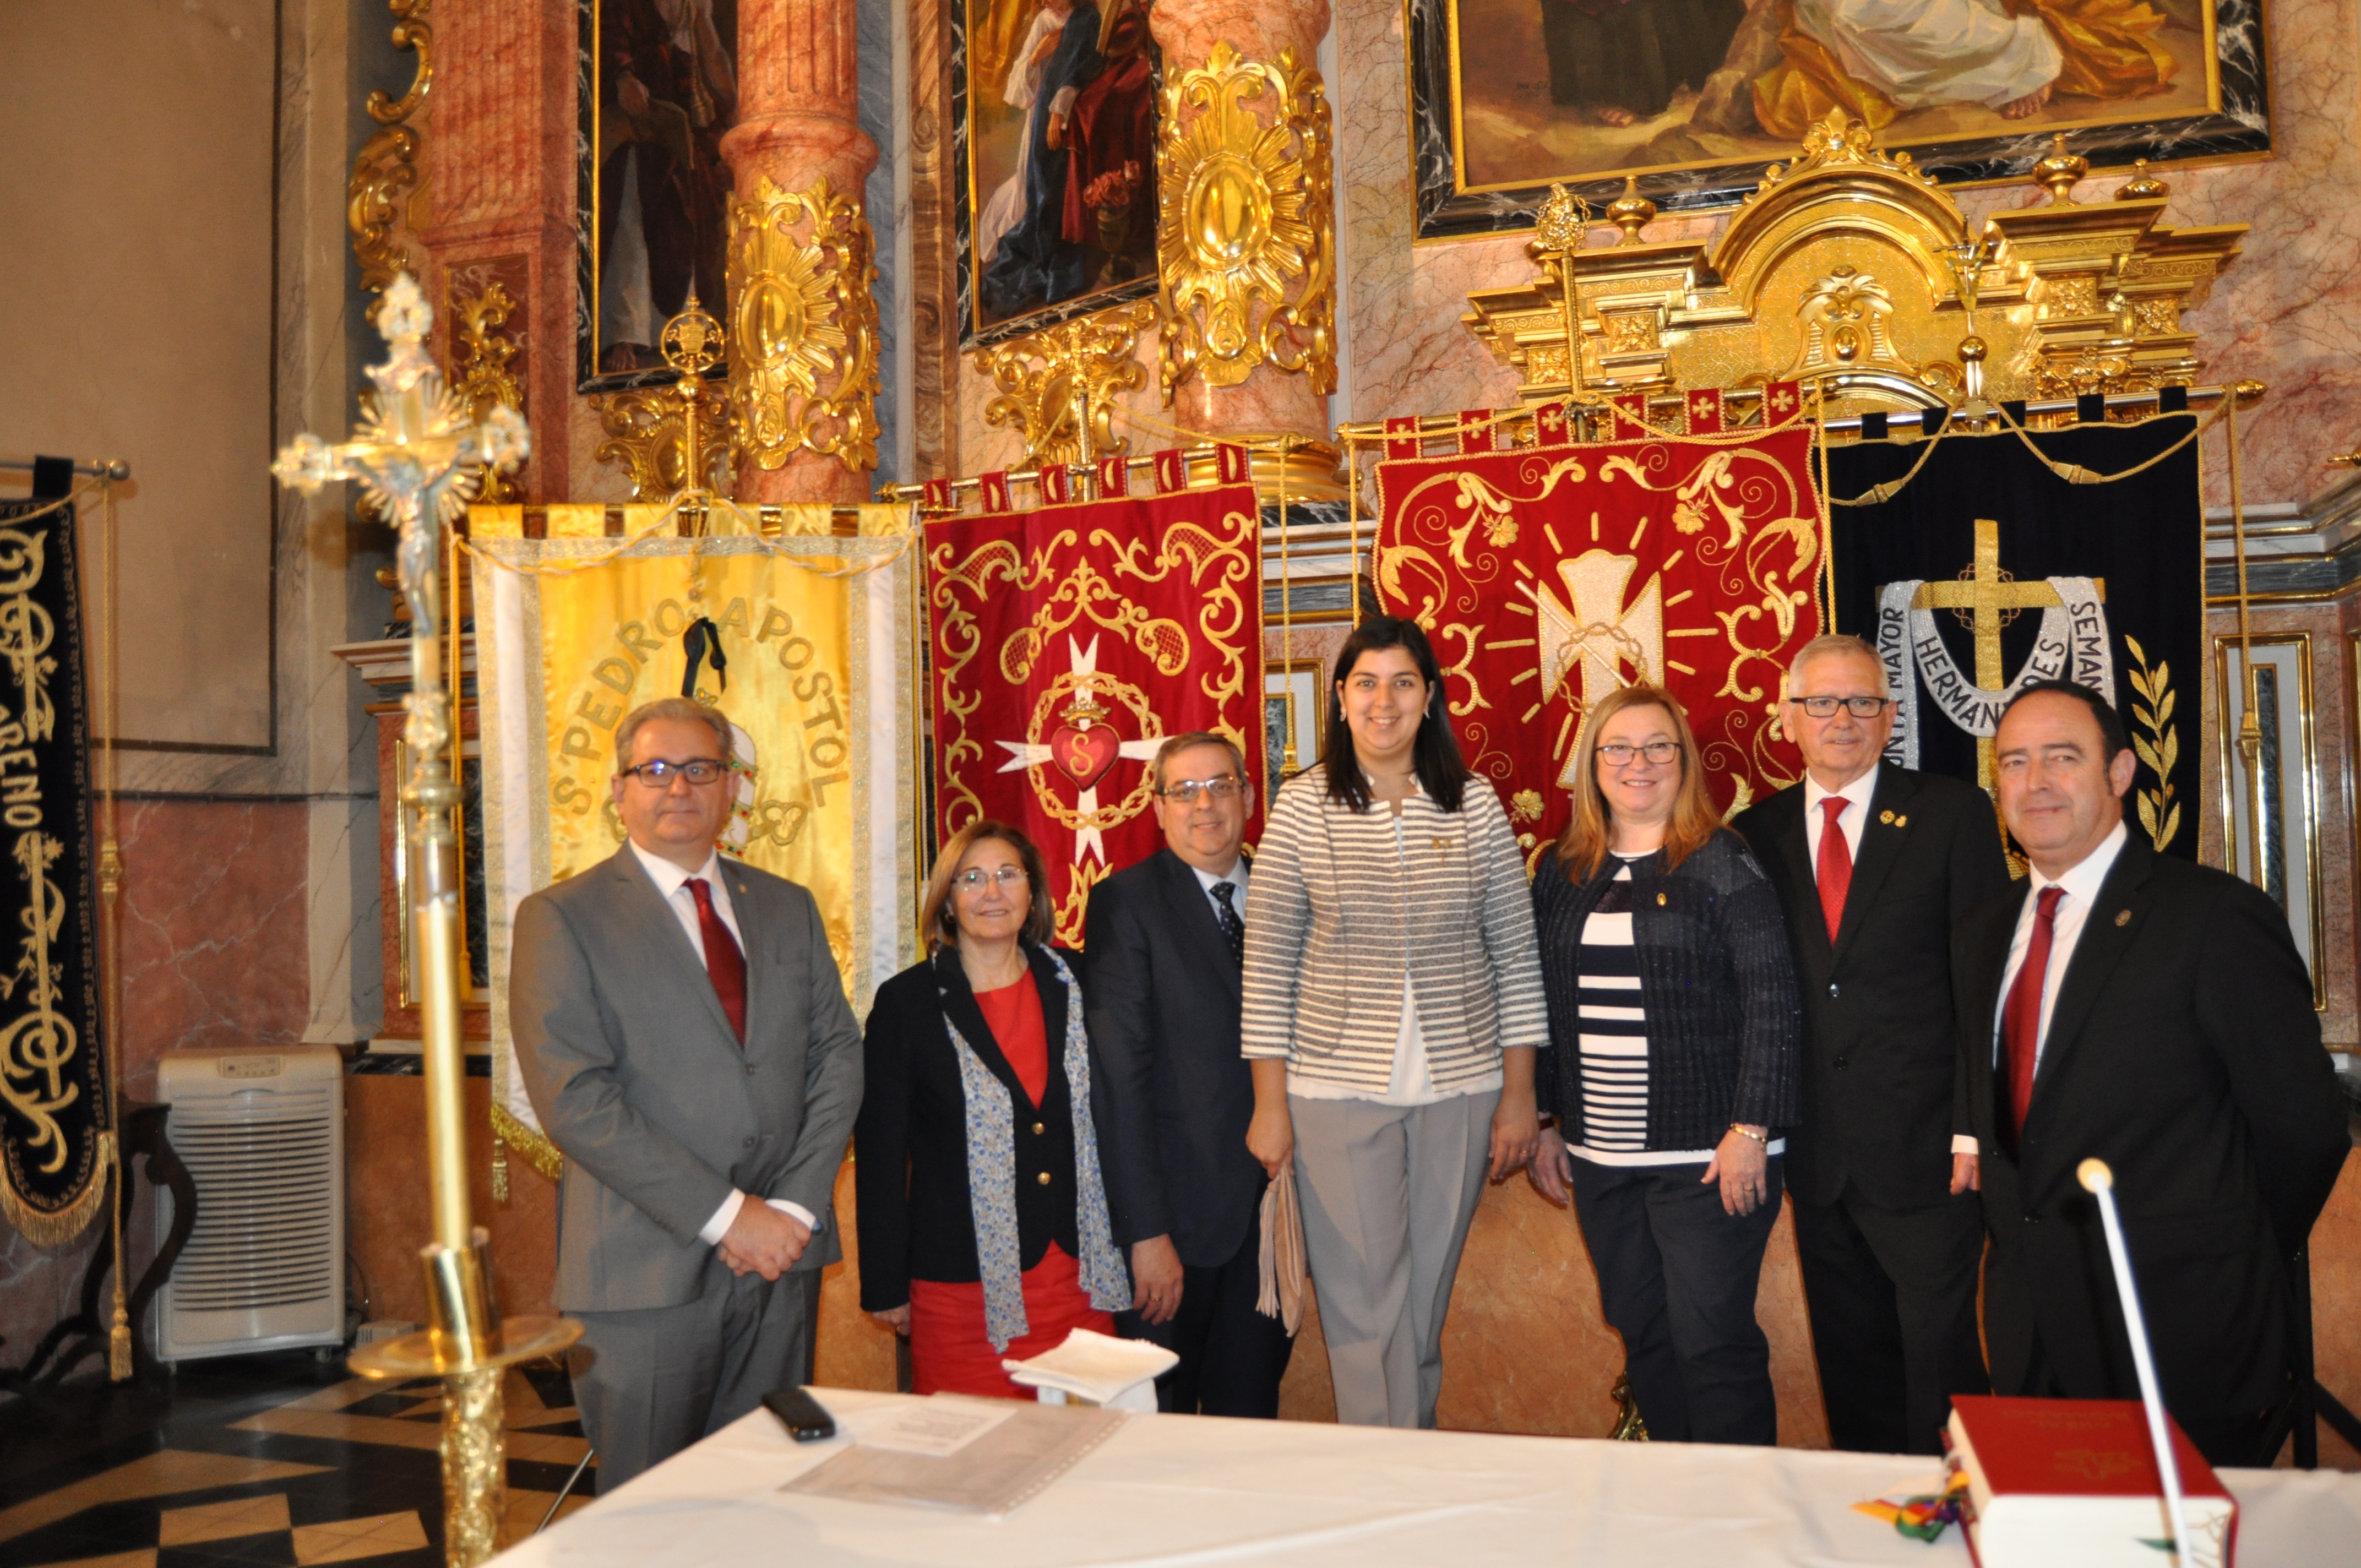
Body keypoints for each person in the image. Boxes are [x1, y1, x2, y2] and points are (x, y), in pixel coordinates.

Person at [1957, 680, 2349, 1467]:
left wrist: (2226, 1247)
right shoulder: (1983, 928)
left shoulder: (2212, 917)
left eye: (2062, 759)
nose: (2034, 782)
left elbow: (2304, 1127)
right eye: (2015, 762)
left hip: (2182, 1329)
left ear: (2122, 772)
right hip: (2031, 1329)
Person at [511, 697, 862, 1489]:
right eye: (655, 770)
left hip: (782, 1266)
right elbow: (575, 1098)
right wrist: (734, 1216)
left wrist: (795, 1211)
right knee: (651, 1511)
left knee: (767, 1495)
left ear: (732, 787)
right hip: (645, 1277)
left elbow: (837, 1055)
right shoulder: (561, 918)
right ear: (618, 789)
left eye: (701, 769)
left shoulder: (787, 907)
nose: (679, 788)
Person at [1241, 616, 1547, 1429]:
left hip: (1464, 1085)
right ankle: (1386, 1477)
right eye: (1366, 683)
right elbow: (1267, 966)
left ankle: (1408, 1461)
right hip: (1334, 1089)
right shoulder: (1304, 806)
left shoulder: (1473, 804)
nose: (1385, 701)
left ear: (1431, 697)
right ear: (1340, 699)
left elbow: (1516, 956)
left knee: (1421, 1302)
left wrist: (1521, 1094)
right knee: (1361, 1302)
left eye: (1403, 683)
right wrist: (1270, 1106)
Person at [1730, 636, 2006, 1455]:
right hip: (1818, 1153)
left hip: (1931, 1151)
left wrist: (1973, 1125)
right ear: (1788, 719)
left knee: (1943, 1362)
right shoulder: (1756, 832)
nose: (1842, 719)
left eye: (1862, 703)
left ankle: (1968, 1524)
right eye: (1821, 702)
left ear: (1890, 718)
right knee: (1853, 1368)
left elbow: (1984, 982)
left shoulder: (1953, 814)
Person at [1528, 684, 1803, 1445]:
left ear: (1683, 761)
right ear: (1592, 763)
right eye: (1619, 747)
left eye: (1658, 746)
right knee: (1644, 1334)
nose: (1638, 762)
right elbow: (1545, 1003)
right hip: (1602, 1157)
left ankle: (1740, 1521)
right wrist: (1549, 1121)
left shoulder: (1720, 862)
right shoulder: (1563, 870)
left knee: (1713, 1343)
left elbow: (1773, 997)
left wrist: (1752, 1126)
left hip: (1709, 1158)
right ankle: (1677, 1512)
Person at [856, 820, 1131, 1398]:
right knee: (974, 1468)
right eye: (971, 878)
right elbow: (881, 1157)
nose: (991, 892)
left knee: (1086, 1462)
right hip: (962, 1294)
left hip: (1079, 1282)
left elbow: (1122, 1116)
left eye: (1009, 875)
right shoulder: (905, 1004)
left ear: (1032, 893)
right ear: (948, 901)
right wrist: (886, 1285)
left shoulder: (1075, 980)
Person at [1086, 732, 1294, 1417]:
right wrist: (1145, 1234)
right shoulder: (1127, 904)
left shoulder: (1289, 893)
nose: (1205, 805)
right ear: (1158, 808)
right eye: (1185, 790)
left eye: (1221, 785)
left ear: (1249, 796)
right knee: (1160, 1439)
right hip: (1175, 1231)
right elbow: (1119, 1079)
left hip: (1275, 1223)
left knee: (1249, 1423)